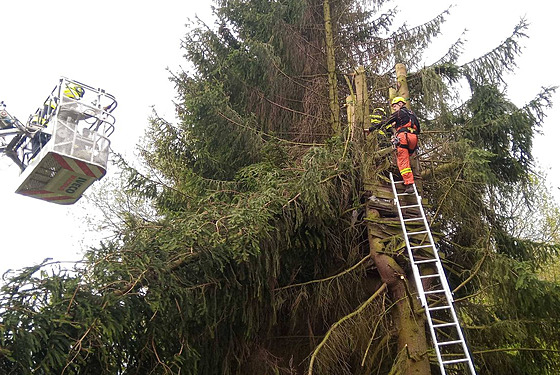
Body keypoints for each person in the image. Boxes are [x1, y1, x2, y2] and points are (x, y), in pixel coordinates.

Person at [364, 96, 420, 193]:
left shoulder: (398, 113)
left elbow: (384, 123)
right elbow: (418, 129)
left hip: (403, 137)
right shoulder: (412, 114)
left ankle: (409, 184)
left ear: (400, 104)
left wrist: (371, 129)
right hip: (414, 138)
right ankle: (408, 180)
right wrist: (398, 124)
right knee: (407, 158)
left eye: (394, 106)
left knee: (403, 161)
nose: (394, 108)